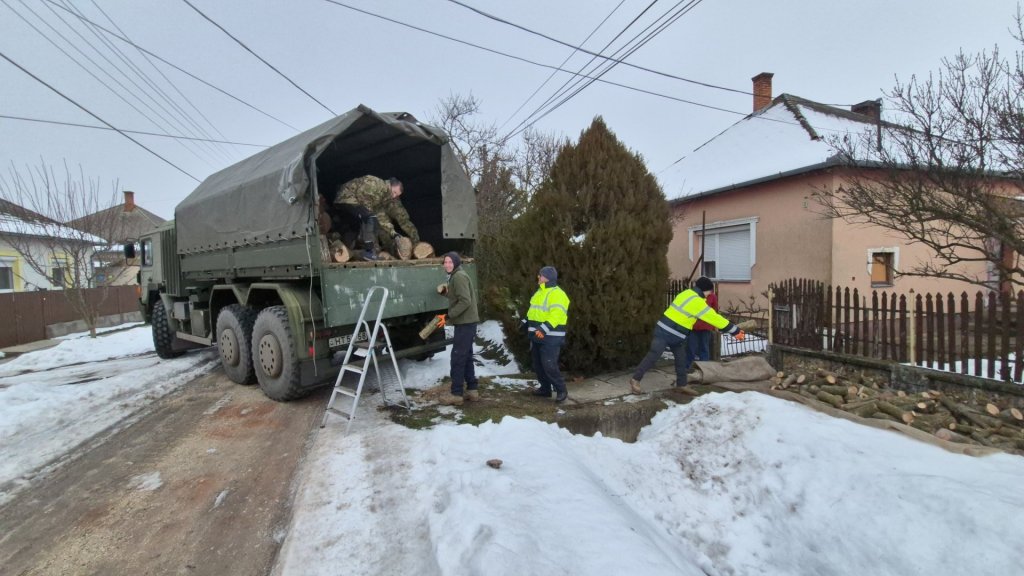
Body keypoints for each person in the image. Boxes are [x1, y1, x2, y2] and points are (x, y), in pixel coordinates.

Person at [629, 276, 744, 395]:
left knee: (681, 360)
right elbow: (714, 318)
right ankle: (635, 380)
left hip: (674, 334)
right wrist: (735, 331)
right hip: (666, 332)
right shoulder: (697, 302)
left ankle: (681, 385)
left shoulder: (685, 293)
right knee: (653, 356)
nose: (710, 294)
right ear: (705, 290)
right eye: (710, 291)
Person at [334, 175, 420, 260]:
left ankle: (368, 250)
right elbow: (361, 194)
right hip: (346, 198)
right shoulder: (376, 184)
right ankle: (369, 252)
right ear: (389, 185)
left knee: (372, 219)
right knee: (370, 218)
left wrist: (393, 233)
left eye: (396, 195)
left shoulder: (382, 197)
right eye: (394, 192)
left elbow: (381, 217)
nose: (394, 196)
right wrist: (368, 213)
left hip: (355, 203)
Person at [437, 252, 479, 406]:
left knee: (457, 358)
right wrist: (446, 293)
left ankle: (456, 393)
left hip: (465, 323)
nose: (446, 264)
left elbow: (465, 301)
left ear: (455, 263)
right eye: (445, 262)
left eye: (449, 262)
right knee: (466, 356)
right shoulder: (456, 276)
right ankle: (472, 390)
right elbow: (458, 296)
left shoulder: (459, 276)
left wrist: (448, 316)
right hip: (465, 322)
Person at [524, 266, 571, 403]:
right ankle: (545, 389)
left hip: (551, 336)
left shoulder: (558, 294)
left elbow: (557, 315)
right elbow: (533, 311)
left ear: (548, 278)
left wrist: (544, 328)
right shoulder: (539, 292)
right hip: (537, 335)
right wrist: (525, 321)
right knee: (538, 364)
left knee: (549, 364)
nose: (538, 277)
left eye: (541, 275)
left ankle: (561, 390)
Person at [685, 280, 719, 371]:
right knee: (691, 348)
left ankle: (704, 369)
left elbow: (714, 311)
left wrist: (713, 324)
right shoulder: (694, 296)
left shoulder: (712, 297)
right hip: (693, 326)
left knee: (704, 347)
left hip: (706, 326)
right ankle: (687, 367)